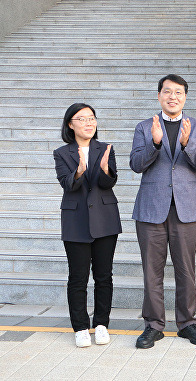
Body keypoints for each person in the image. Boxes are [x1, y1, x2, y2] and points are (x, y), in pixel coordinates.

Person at [130, 74, 196, 349]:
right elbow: (136, 164)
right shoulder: (144, 127)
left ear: (185, 96)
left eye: (178, 92)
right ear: (159, 95)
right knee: (152, 270)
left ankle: (188, 323)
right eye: (167, 91)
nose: (172, 96)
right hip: (151, 208)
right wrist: (153, 143)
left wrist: (187, 144)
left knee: (186, 269)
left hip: (186, 208)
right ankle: (153, 325)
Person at [53, 103, 122, 348]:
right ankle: (81, 327)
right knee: (78, 277)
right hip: (75, 221)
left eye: (91, 118)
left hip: (105, 219)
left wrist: (104, 170)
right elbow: (67, 184)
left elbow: (108, 182)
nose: (88, 123)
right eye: (82, 119)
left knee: (104, 276)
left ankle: (101, 324)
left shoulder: (105, 149)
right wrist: (79, 171)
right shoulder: (62, 153)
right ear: (70, 124)